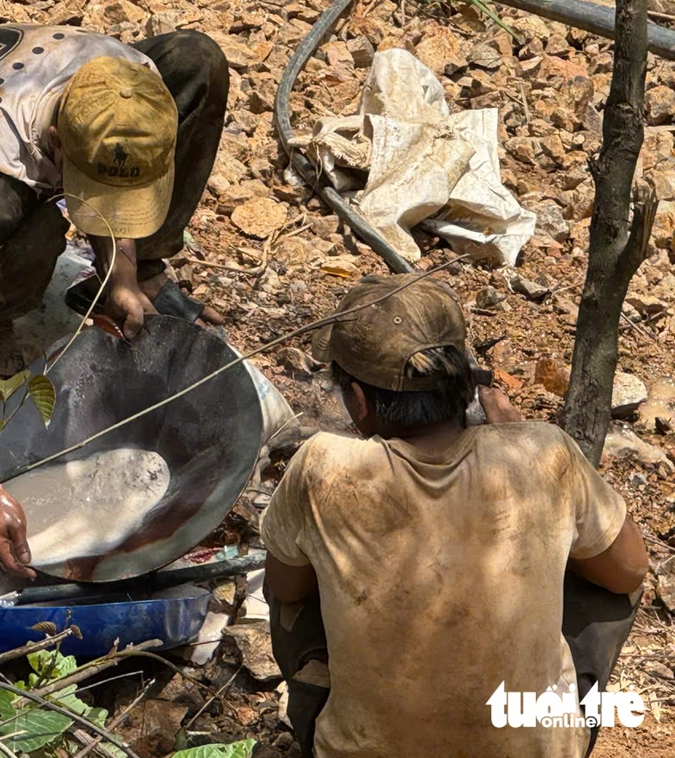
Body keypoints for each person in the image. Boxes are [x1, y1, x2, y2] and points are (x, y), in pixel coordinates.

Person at [0, 24, 229, 578]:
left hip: (13, 133)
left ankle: (141, 273)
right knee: (33, 241)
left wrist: (121, 274)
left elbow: (112, 177)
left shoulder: (134, 86)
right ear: (55, 146)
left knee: (199, 57)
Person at [260, 274, 648, 757]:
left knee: (291, 574)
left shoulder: (322, 468)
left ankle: (327, 699)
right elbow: (631, 569)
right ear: (465, 387)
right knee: (607, 570)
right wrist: (520, 438)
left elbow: (286, 589)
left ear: (359, 401)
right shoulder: (544, 452)